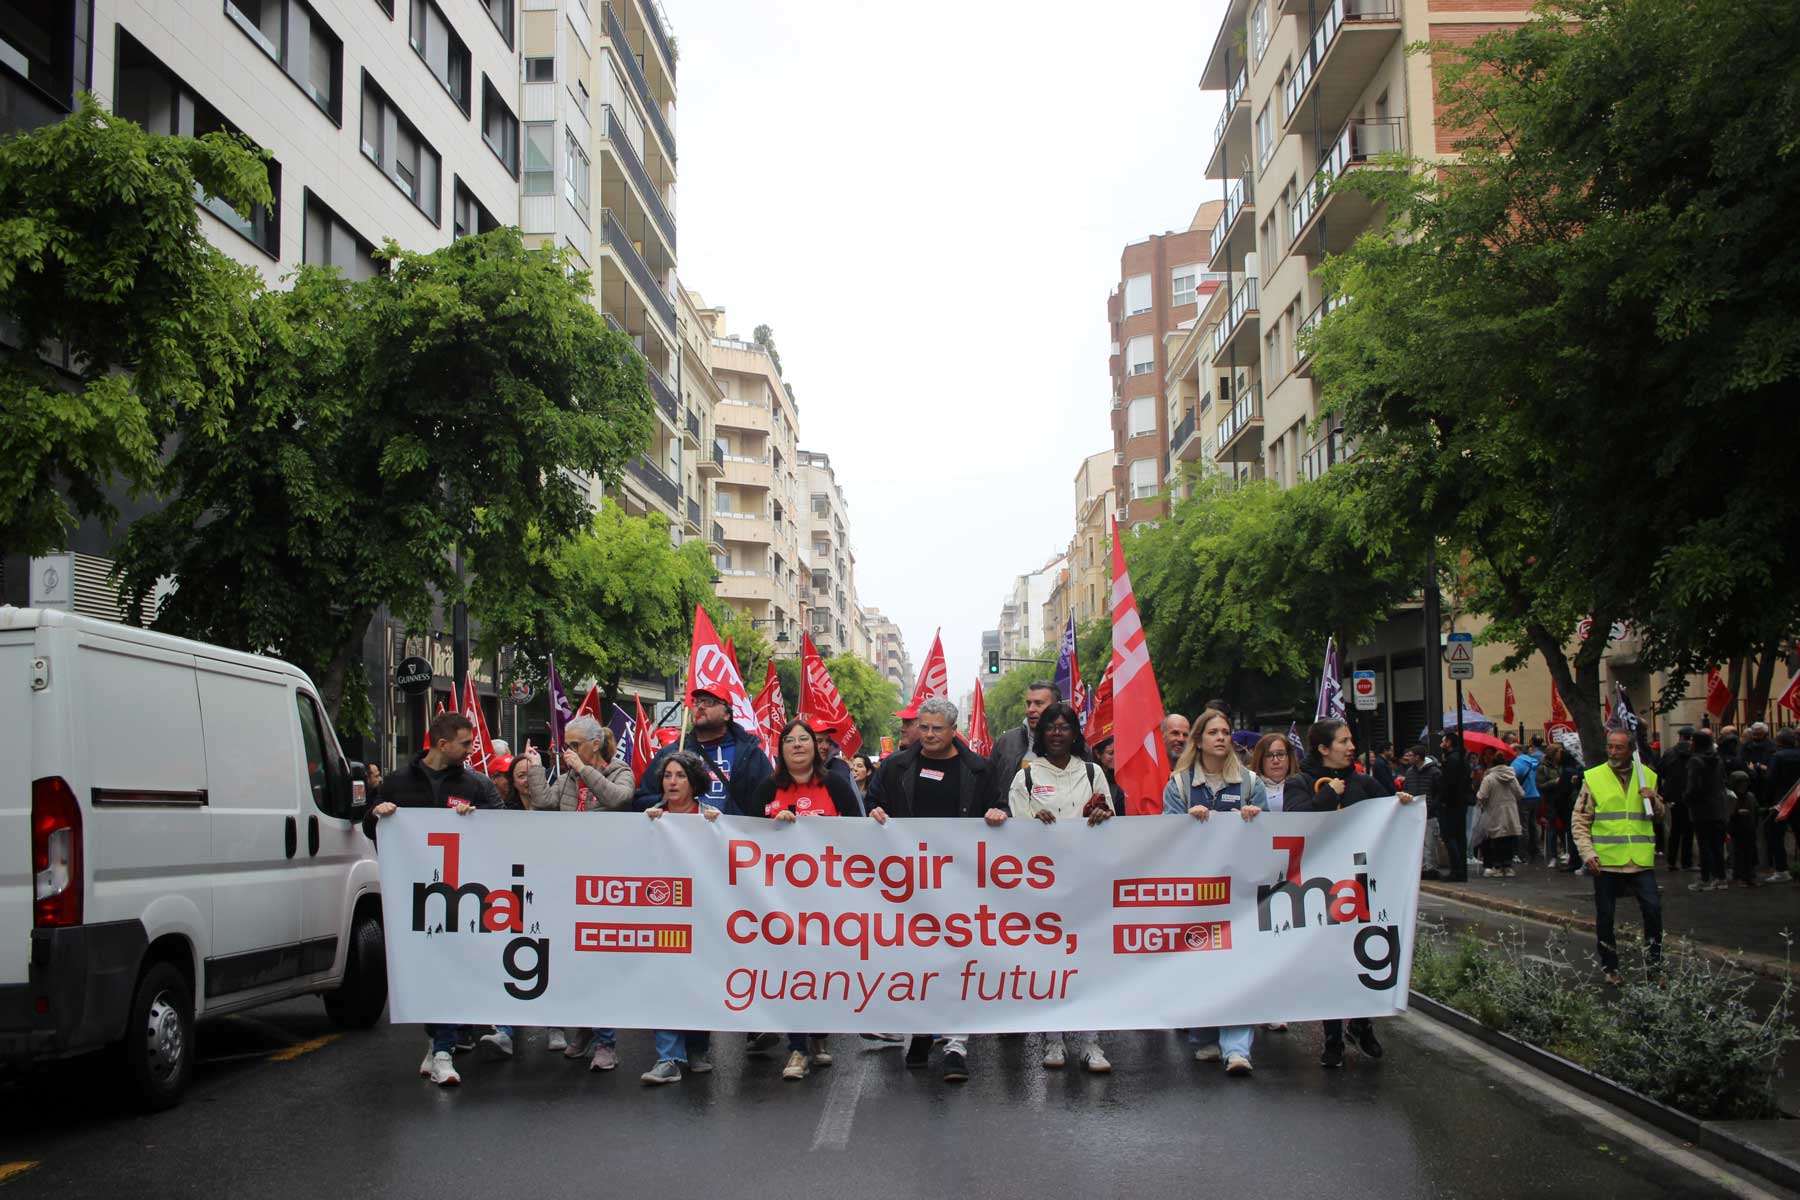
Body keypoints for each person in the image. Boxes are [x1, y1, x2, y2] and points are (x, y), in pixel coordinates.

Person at [364, 712, 499, 1087]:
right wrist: (378, 813)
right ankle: (434, 1042)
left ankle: (443, 1050)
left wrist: (477, 819)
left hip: (461, 895)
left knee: (450, 967)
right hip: (414, 894)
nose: (471, 750)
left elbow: (504, 826)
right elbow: (369, 824)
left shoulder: (475, 785)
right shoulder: (397, 782)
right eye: (465, 744)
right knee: (424, 970)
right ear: (442, 745)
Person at [868, 696, 994, 1083]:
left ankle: (956, 1045)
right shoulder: (895, 766)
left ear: (954, 730)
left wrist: (997, 813)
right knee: (917, 960)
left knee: (958, 960)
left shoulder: (977, 770)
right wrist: (874, 812)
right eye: (923, 727)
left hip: (960, 882)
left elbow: (999, 805)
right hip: (910, 884)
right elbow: (874, 801)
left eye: (937, 728)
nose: (928, 735)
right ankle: (921, 1032)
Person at [991, 702, 1113, 1075]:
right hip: (1042, 890)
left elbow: (1111, 820)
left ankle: (1091, 1042)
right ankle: (1054, 1039)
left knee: (1088, 965)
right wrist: (1033, 820)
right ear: (1040, 735)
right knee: (1050, 965)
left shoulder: (1092, 773)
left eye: (1064, 726)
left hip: (1085, 885)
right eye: (1050, 727)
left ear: (1075, 733)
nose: (1057, 733)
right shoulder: (1025, 777)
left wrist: (1103, 814)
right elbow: (1014, 831)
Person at [1286, 719, 1413, 1068]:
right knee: (1329, 959)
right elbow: (1293, 820)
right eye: (1343, 741)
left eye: (1351, 740)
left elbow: (1389, 815)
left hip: (1360, 887)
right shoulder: (1301, 783)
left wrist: (1402, 805)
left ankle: (1360, 1024)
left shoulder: (1366, 784)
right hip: (1320, 889)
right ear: (1323, 749)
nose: (1351, 746)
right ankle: (1331, 1035)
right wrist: (1329, 796)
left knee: (1361, 955)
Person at [750, 719, 862, 1080]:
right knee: (790, 969)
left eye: (805, 740)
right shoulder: (768, 787)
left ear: (817, 748)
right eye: (790, 741)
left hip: (826, 897)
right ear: (780, 750)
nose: (798, 745)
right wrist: (773, 823)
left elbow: (857, 832)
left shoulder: (835, 784)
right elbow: (744, 835)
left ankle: (819, 1037)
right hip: (779, 899)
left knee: (819, 968)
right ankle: (797, 1048)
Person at [1164, 709, 1267, 1077]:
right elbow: (1167, 840)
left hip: (1238, 892)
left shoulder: (1250, 783)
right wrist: (1185, 824)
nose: (1221, 737)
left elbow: (1269, 837)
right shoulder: (1178, 785)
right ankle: (1208, 1036)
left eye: (1226, 731)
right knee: (1204, 966)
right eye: (1213, 732)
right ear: (1199, 740)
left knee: (1239, 967)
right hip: (1198, 894)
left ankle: (1237, 1048)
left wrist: (1257, 818)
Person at [532, 717, 635, 1065]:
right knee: (573, 961)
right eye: (566, 746)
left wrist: (584, 771)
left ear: (594, 744)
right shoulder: (568, 779)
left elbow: (619, 798)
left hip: (605, 885)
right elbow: (544, 803)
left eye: (574, 746)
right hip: (569, 880)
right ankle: (584, 1030)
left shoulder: (619, 771)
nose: (568, 752)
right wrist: (534, 769)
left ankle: (607, 1042)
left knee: (600, 963)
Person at [639, 752, 727, 1084]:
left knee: (699, 980)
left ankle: (697, 1048)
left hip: (703, 917)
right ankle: (668, 1057)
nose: (672, 782)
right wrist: (646, 827)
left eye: (679, 776)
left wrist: (721, 829)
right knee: (666, 980)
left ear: (694, 782)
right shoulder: (652, 817)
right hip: (663, 916)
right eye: (667, 776)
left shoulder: (712, 817)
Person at [1572, 727, 1663, 985]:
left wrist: (1653, 800)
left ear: (1630, 750)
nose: (1612, 752)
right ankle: (1610, 968)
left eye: (1618, 747)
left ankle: (1655, 968)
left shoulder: (1648, 777)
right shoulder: (1594, 777)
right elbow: (1579, 819)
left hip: (1640, 859)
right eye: (1610, 746)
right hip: (1607, 860)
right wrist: (1587, 852)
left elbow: (1660, 816)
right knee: (1606, 917)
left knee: (1654, 912)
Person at [634, 687, 773, 816]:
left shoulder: (749, 755)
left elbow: (769, 802)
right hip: (678, 839)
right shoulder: (672, 754)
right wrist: (663, 800)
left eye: (709, 702)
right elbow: (640, 801)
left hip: (729, 838)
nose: (700, 706)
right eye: (697, 702)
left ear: (727, 714)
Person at [987, 681, 1062, 801]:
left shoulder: (1074, 746)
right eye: (1028, 703)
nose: (1031, 709)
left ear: (1057, 706)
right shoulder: (1005, 743)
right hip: (1012, 818)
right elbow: (989, 789)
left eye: (1039, 703)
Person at [1685, 730, 1730, 891]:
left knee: (1704, 846)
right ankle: (1721, 877)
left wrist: (1687, 798)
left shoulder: (1695, 761)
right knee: (1717, 845)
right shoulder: (1717, 759)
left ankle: (1705, 879)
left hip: (1702, 810)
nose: (1689, 743)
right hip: (1718, 808)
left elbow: (1694, 787)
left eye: (1691, 740)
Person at [1477, 751, 1524, 878]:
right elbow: (1520, 793)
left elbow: (1482, 796)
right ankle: (1508, 867)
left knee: (1496, 840)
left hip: (1494, 811)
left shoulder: (1489, 778)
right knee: (1509, 838)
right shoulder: (1512, 776)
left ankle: (1497, 867)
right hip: (1510, 811)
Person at [1436, 732, 1473, 882]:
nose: (1441, 745)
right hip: (1459, 802)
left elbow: (1449, 783)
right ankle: (1459, 870)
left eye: (1443, 741)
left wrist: (1443, 800)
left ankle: (1457, 869)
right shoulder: (1460, 758)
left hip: (1452, 803)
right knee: (1458, 837)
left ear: (1449, 743)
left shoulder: (1452, 760)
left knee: (1450, 836)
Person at [1765, 728, 1800, 881]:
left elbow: (1771, 780)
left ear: (1778, 741)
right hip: (1798, 797)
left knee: (1775, 835)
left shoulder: (1777, 757)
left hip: (1782, 800)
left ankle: (1781, 869)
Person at [1658, 727, 1695, 871]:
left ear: (1680, 737)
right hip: (1690, 796)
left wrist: (1664, 792)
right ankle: (1687, 862)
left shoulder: (1669, 753)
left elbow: (1660, 772)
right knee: (1689, 831)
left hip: (1673, 797)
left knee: (1675, 830)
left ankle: (1671, 861)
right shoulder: (1695, 753)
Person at [1404, 744, 1443, 879]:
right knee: (1418, 841)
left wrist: (1433, 806)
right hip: (1415, 811)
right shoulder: (1410, 772)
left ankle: (1430, 867)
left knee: (1429, 841)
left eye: (1411, 755)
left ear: (1418, 757)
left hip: (1429, 811)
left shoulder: (1434, 772)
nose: (1408, 758)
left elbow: (1439, 792)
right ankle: (1422, 867)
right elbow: (1407, 789)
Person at [1510, 739, 1543, 863]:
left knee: (1523, 826)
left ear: (1517, 750)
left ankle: (1522, 852)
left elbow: (1513, 778)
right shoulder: (1533, 761)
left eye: (1511, 750)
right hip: (1535, 795)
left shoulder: (1517, 763)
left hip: (1524, 796)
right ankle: (1534, 850)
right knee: (1533, 824)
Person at [1092, 734, 1127, 813]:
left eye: (1118, 752)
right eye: (1110, 753)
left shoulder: (1125, 777)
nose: (1116, 757)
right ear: (1097, 754)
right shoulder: (1092, 778)